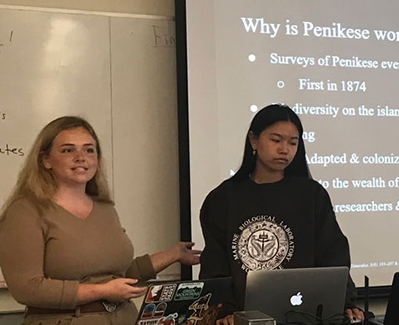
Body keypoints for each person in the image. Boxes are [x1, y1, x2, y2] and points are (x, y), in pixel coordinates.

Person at [0, 116, 201, 325]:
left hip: (123, 318)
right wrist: (102, 291)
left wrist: (173, 254)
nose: (81, 157)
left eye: (89, 150)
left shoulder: (105, 208)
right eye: (68, 150)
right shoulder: (25, 211)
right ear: (46, 160)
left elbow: (119, 275)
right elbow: (27, 288)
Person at [198, 104, 362, 325]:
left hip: (305, 315)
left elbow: (333, 253)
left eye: (293, 143)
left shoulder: (312, 195)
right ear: (253, 141)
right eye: (276, 140)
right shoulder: (222, 199)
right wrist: (225, 311)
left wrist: (346, 302)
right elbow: (215, 267)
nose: (285, 149)